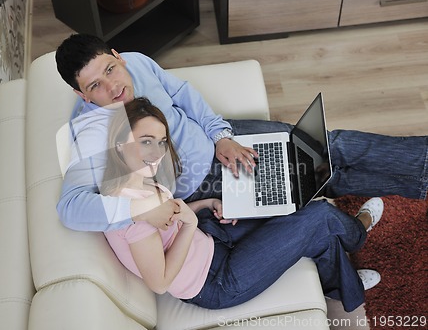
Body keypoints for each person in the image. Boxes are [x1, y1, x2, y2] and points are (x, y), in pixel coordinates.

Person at [55, 33, 427, 234]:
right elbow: (70, 209)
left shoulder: (135, 62)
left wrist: (220, 135)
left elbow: (182, 93)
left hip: (220, 139)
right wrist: (143, 207)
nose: (112, 87)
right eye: (94, 86)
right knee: (317, 177)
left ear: (117, 56)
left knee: (327, 145)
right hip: (203, 185)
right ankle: (420, 184)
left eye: (110, 69)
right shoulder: (88, 133)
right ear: (80, 94)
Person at [100, 97, 383, 311]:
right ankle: (357, 232)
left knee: (294, 205)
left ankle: (346, 286)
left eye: (161, 142)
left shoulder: (137, 178)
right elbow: (159, 283)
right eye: (145, 141)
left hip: (212, 240)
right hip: (216, 282)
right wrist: (190, 225)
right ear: (119, 143)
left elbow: (173, 219)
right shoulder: (130, 215)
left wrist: (205, 204)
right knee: (319, 215)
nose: (156, 153)